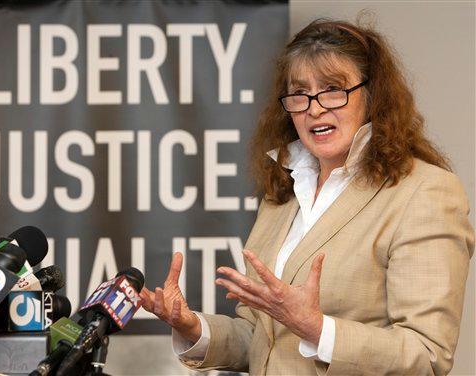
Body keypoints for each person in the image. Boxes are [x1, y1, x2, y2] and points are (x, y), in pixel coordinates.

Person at [140, 19, 474, 375]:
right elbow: (263, 337)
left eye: (333, 89)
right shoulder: (283, 193)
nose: (314, 108)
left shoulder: (424, 192)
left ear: (373, 96)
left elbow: (427, 355)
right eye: (300, 93)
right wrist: (192, 327)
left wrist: (317, 329)